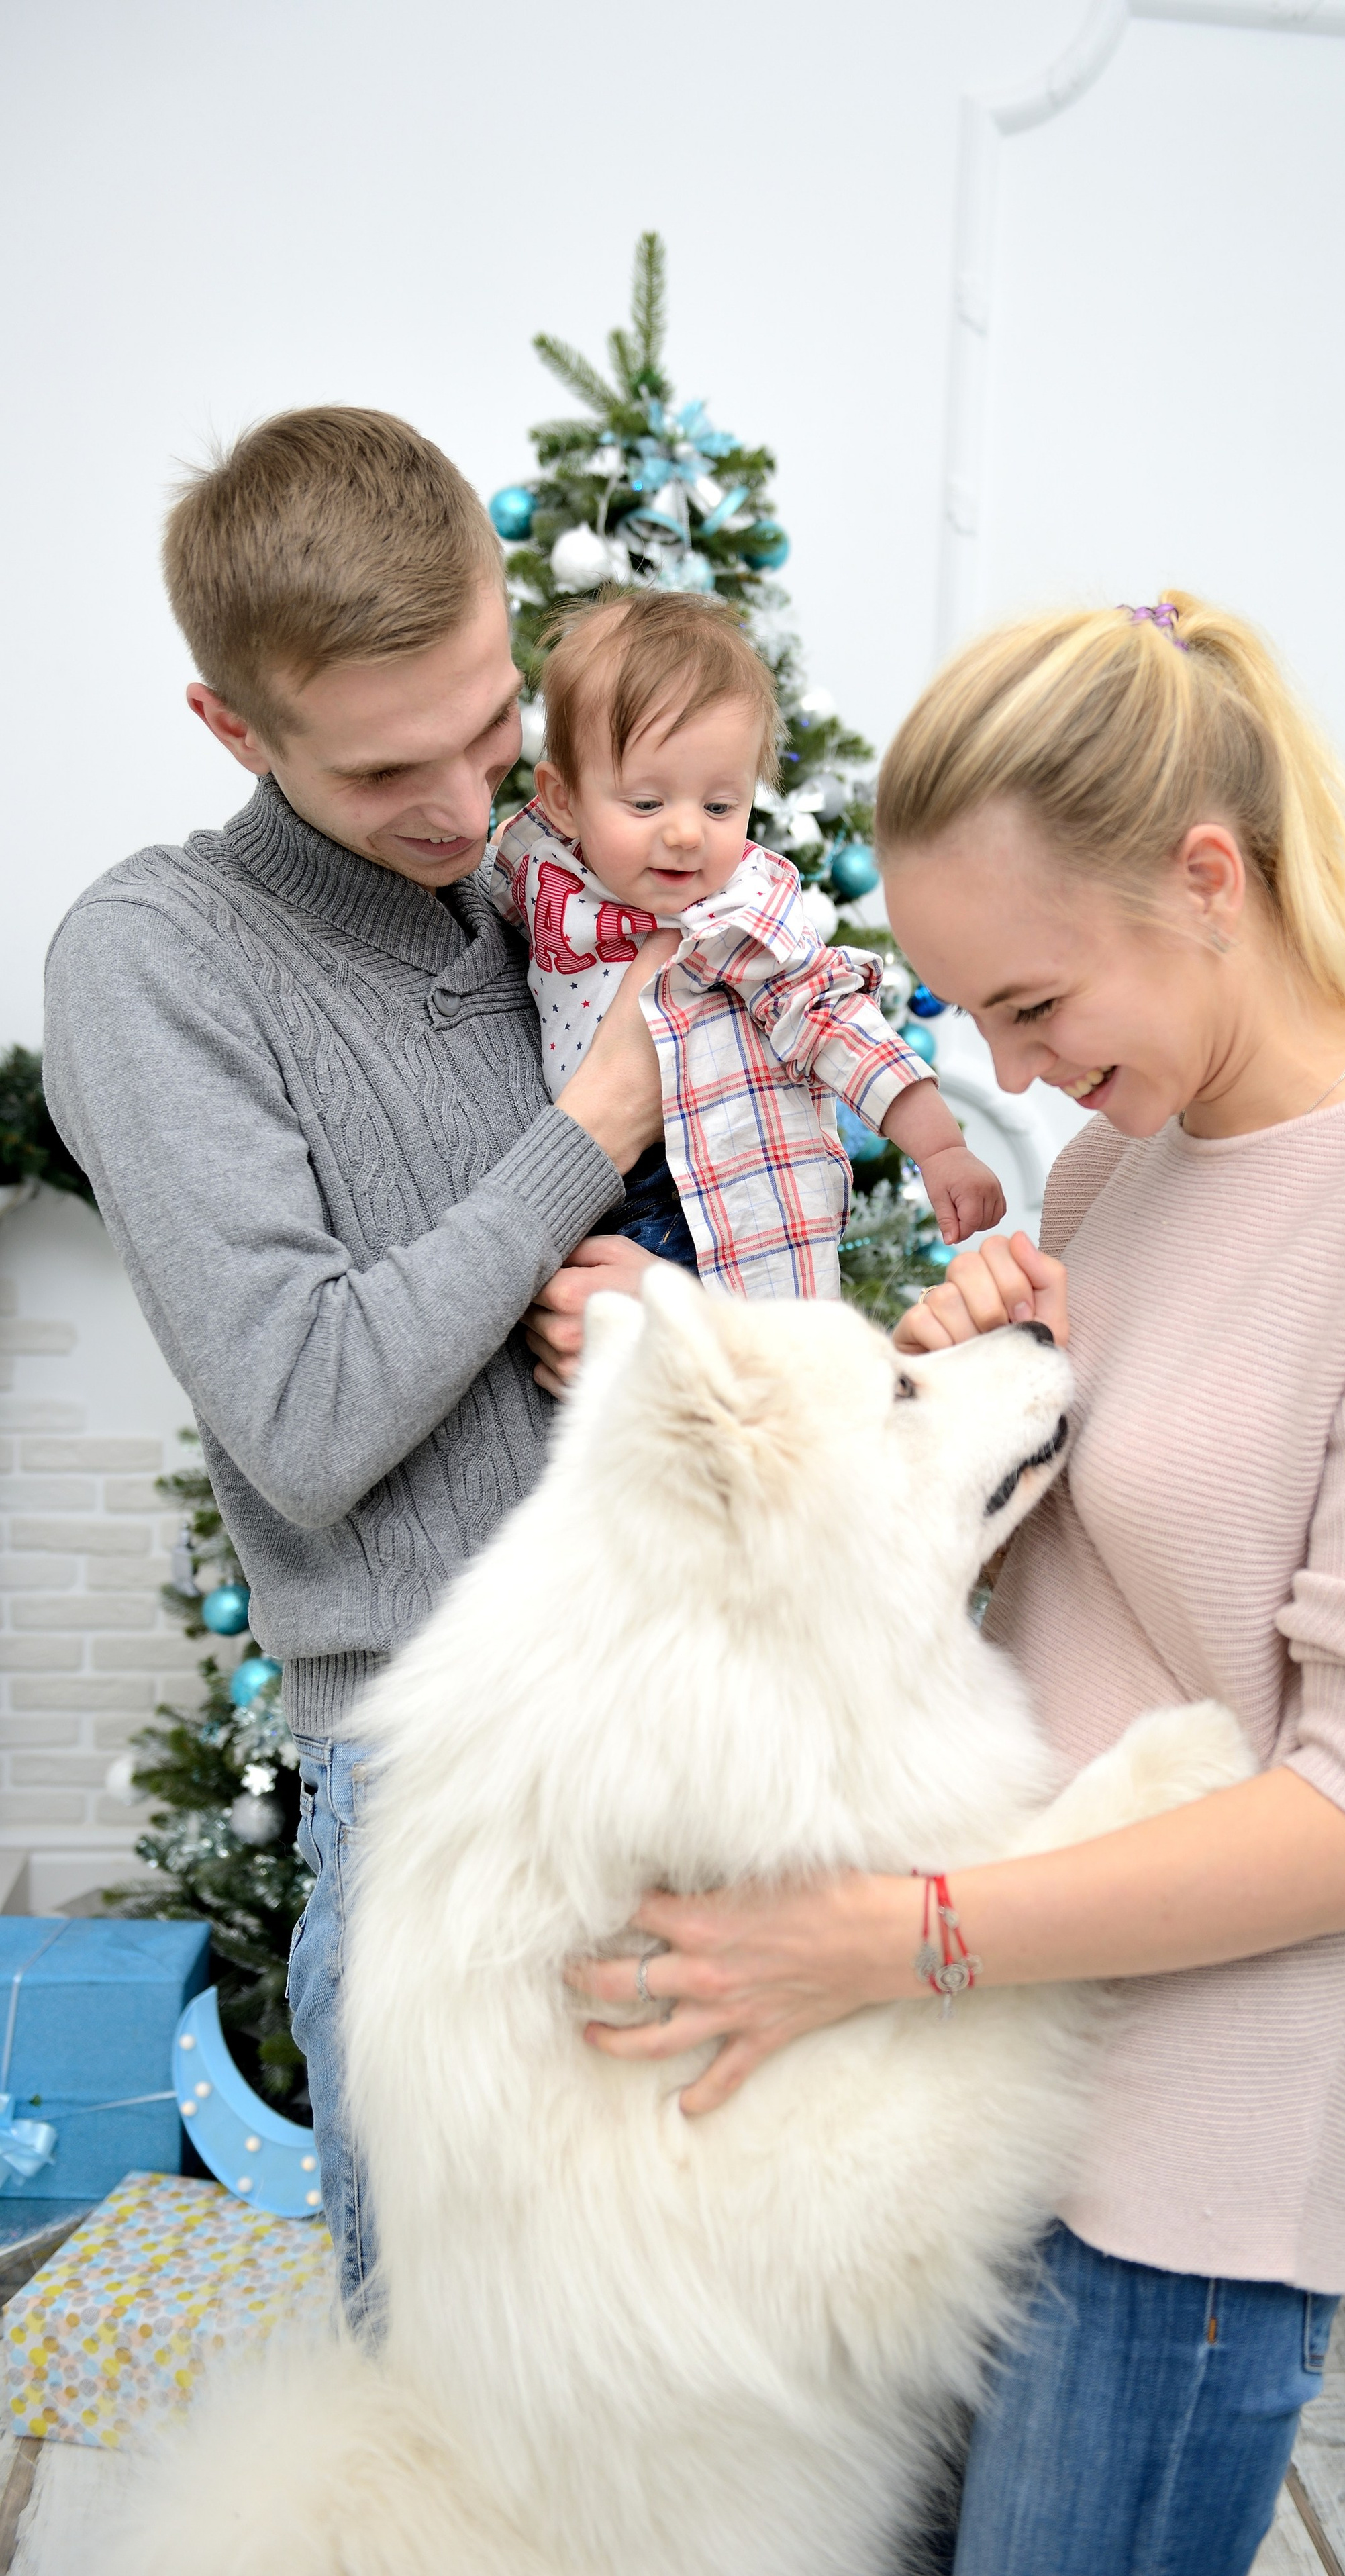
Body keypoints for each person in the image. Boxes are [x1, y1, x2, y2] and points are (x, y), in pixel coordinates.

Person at [558, 595, 1345, 2575]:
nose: (1010, 1067)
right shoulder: (1114, 1177)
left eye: (1034, 1005)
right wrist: (967, 1395)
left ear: (1205, 877)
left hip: (1182, 2190)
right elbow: (1069, 1608)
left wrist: (888, 1936)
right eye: (964, 1019)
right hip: (983, 2083)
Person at [41, 406, 670, 2328]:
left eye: (491, 728)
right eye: (388, 767)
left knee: (738, 2396)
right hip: (451, 1803)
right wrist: (585, 1130)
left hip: (689, 1739)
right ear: (235, 728)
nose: (467, 803)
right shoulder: (161, 959)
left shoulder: (551, 897)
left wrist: (639, 1288)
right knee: (477, 2430)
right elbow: (307, 1414)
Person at [493, 589, 1002, 1294]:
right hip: (564, 1170)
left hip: (693, 1196)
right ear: (563, 799)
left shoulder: (744, 914)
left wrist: (940, 1147)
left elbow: (834, 1021)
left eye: (719, 805)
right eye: (646, 803)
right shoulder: (533, 867)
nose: (684, 833)